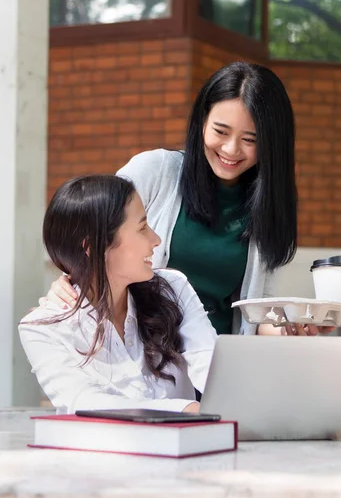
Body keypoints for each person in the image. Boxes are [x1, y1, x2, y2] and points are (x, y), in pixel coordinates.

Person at [42, 61, 334, 337]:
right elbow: (91, 229)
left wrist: (287, 327)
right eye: (220, 131)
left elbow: (256, 309)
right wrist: (69, 279)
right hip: (144, 354)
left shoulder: (268, 204)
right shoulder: (155, 170)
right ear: (202, 121)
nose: (231, 150)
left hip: (213, 361)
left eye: (251, 140)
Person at [19, 175, 217, 414]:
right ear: (93, 247)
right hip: (103, 451)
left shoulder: (173, 288)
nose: (156, 240)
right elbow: (82, 402)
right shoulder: (42, 328)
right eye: (142, 228)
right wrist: (186, 409)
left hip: (188, 447)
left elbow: (211, 364)